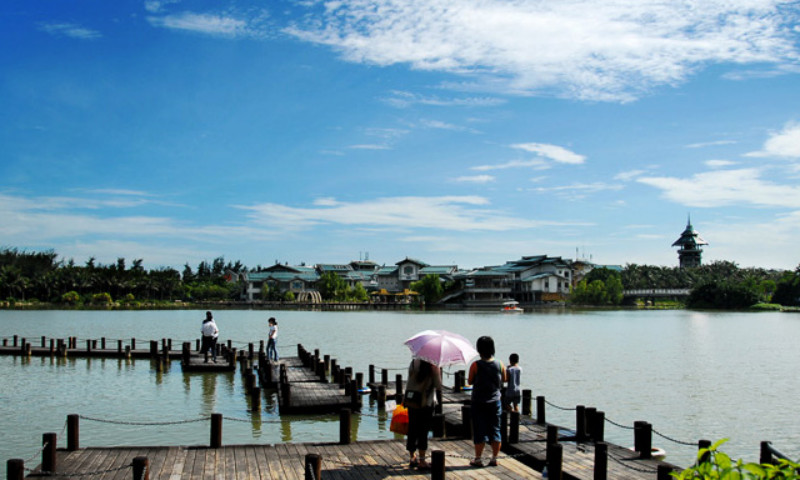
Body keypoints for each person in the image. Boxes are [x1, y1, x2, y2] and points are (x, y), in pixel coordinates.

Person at [468, 335, 507, 467]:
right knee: (495, 429)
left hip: (478, 401)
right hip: (495, 401)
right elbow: (505, 379)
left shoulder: (475, 365)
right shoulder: (500, 364)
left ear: (479, 349)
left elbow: (470, 381)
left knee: (479, 430)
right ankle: (494, 458)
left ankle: (478, 459)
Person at [405, 358, 442, 470]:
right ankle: (422, 460)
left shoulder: (413, 363)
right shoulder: (434, 366)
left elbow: (411, 378)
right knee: (423, 431)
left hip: (412, 400)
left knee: (412, 428)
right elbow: (438, 385)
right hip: (426, 402)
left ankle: (412, 457)